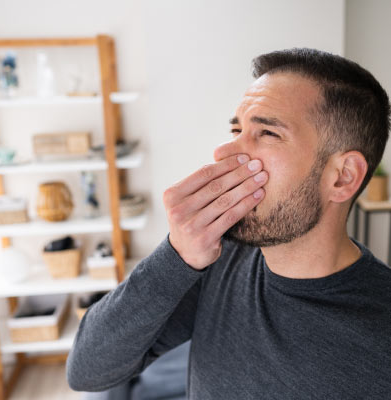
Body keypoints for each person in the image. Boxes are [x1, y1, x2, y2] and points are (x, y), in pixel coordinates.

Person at [66, 48, 391, 399]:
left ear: (342, 177)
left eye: (267, 133)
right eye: (236, 129)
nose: (225, 152)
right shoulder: (221, 257)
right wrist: (176, 256)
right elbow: (87, 371)